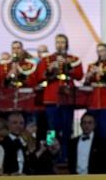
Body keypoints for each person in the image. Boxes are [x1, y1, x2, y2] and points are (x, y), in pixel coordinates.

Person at [31, 33, 83, 162]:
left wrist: (68, 66)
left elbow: (79, 75)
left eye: (62, 42)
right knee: (51, 130)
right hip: (51, 98)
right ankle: (50, 155)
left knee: (67, 129)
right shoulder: (47, 59)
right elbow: (39, 77)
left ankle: (66, 156)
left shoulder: (73, 58)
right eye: (58, 42)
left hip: (67, 98)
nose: (60, 45)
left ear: (67, 44)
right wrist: (49, 69)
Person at [83, 43, 106, 139]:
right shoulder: (91, 66)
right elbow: (86, 84)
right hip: (93, 103)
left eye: (102, 51)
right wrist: (89, 76)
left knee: (104, 131)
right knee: (91, 132)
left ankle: (104, 153)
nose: (100, 53)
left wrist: (102, 74)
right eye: (98, 51)